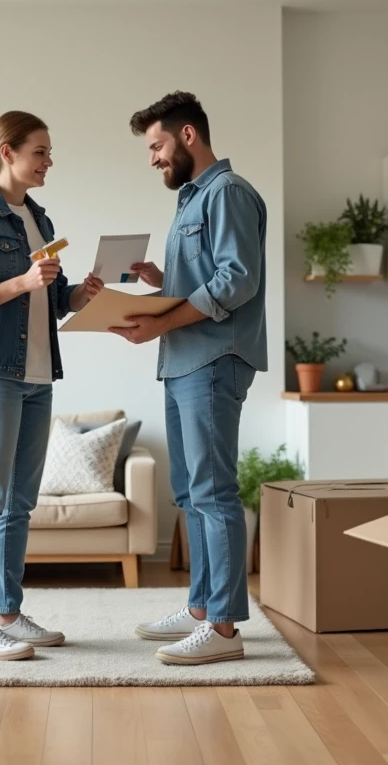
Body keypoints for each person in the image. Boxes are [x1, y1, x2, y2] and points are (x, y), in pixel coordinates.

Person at [111, 92, 267, 665]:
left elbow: (236, 281)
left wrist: (159, 324)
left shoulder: (227, 192)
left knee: (214, 492)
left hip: (212, 360)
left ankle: (224, 630)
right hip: (183, 361)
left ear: (187, 137)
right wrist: (161, 280)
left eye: (156, 145)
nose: (153, 158)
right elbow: (200, 284)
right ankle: (203, 608)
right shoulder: (191, 200)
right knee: (191, 493)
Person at [0, 111, 102, 661]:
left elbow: (49, 301)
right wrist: (20, 280)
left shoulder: (39, 217)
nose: (48, 161)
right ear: (7, 152)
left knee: (18, 503)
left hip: (37, 374)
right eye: (40, 151)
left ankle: (6, 613)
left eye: (50, 152)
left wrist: (81, 293)